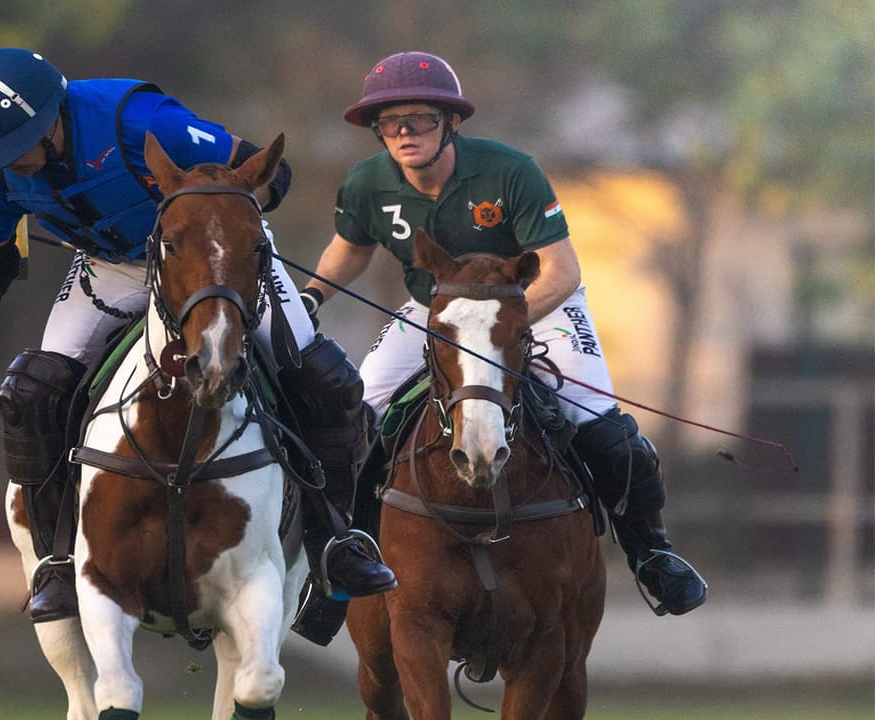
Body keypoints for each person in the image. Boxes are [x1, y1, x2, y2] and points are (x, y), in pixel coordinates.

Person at [0, 48, 395, 627]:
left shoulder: (139, 122)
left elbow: (267, 169)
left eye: (8, 146)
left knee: (321, 376)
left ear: (48, 118)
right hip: (110, 266)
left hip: (211, 256)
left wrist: (224, 232)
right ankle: (54, 559)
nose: (2, 162)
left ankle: (338, 543)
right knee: (34, 391)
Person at [299, 51, 707, 616]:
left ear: (452, 123)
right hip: (434, 311)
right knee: (354, 414)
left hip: (536, 308)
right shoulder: (368, 182)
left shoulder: (510, 172)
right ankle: (345, 556)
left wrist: (501, 330)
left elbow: (562, 271)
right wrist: (311, 296)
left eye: (419, 118)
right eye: (389, 122)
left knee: (600, 423)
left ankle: (653, 556)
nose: (403, 132)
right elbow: (351, 248)